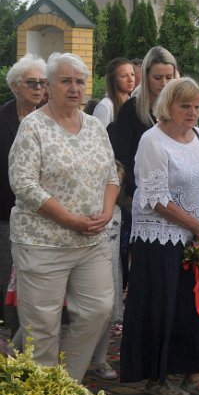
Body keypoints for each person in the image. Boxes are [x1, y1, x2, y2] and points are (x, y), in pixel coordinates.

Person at [8, 52, 118, 382]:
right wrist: (69, 218)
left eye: (80, 81)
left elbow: (112, 175)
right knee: (41, 323)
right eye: (65, 80)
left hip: (91, 240)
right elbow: (24, 183)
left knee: (98, 309)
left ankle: (67, 383)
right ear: (50, 87)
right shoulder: (33, 127)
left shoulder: (96, 126)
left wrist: (107, 211)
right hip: (43, 242)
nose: (74, 88)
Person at [119, 78, 199, 395]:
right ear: (168, 106)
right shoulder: (152, 141)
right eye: (185, 106)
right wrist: (197, 227)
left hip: (196, 236)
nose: (193, 112)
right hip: (160, 239)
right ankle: (157, 377)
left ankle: (195, 375)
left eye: (196, 106)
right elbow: (156, 198)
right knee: (162, 306)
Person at [109, 47, 178, 288]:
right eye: (157, 77)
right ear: (146, 78)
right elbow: (121, 158)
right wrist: (140, 190)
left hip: (177, 199)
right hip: (144, 202)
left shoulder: (180, 109)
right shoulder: (133, 109)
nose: (164, 83)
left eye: (169, 77)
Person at [0, 55, 47, 336]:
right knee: (6, 274)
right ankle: (7, 336)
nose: (39, 88)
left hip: (43, 215)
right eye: (32, 83)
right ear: (15, 86)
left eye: (43, 82)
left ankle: (27, 339)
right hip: (5, 212)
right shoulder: (2, 118)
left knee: (34, 281)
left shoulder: (48, 119)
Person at [89, 160, 126, 380]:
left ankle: (100, 360)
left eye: (119, 184)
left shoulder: (120, 212)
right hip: (89, 268)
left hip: (111, 271)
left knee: (107, 316)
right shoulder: (89, 210)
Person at [92, 58, 136, 128]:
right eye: (124, 76)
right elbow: (99, 135)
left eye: (132, 74)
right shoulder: (105, 106)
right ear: (113, 79)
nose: (130, 79)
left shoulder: (133, 103)